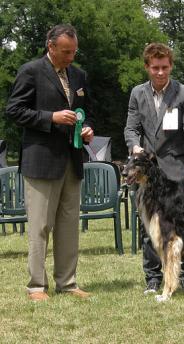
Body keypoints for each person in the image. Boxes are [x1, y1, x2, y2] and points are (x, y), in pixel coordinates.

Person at [6, 24, 95, 301]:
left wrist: (87, 128)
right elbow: (14, 110)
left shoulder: (79, 75)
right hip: (41, 160)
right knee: (40, 225)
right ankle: (36, 286)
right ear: (51, 46)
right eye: (66, 51)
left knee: (69, 225)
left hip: (72, 159)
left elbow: (87, 112)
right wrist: (50, 118)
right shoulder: (31, 71)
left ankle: (67, 283)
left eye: (74, 51)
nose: (71, 56)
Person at [124, 43, 184, 294]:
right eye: (155, 68)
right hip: (147, 170)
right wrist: (134, 146)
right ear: (147, 67)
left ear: (171, 66)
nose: (160, 72)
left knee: (183, 224)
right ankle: (153, 278)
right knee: (150, 228)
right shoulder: (137, 93)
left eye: (165, 67)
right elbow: (131, 128)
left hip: (176, 168)